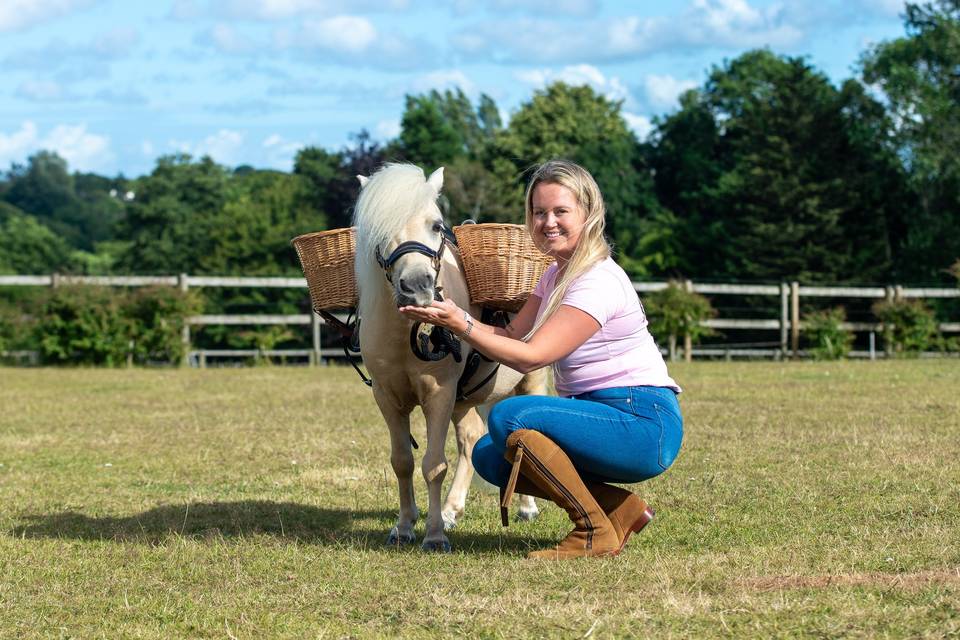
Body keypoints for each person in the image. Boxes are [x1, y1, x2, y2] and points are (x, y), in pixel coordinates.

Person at [399, 159, 682, 560]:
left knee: (508, 418)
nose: (547, 222)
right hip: (600, 415)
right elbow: (514, 335)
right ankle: (618, 509)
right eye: (538, 212)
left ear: (589, 213)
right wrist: (453, 316)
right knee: (487, 458)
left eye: (561, 211)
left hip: (642, 422)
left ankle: (592, 529)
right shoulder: (554, 274)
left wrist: (461, 323)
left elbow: (532, 357)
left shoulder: (596, 280)